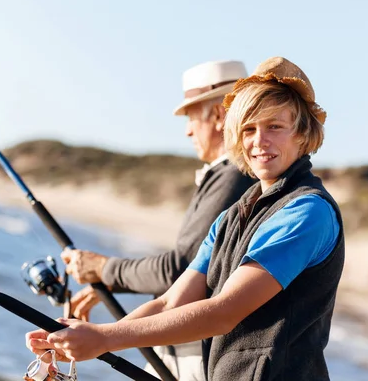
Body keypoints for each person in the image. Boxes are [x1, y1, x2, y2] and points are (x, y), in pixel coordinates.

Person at [27, 56, 345, 380]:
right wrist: (88, 336)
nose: (259, 141)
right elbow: (169, 303)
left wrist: (106, 338)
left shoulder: (306, 212)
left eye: (274, 127)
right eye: (249, 129)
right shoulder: (232, 217)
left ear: (302, 134)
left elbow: (224, 312)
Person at [60, 60, 256, 380]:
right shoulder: (227, 176)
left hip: (197, 355)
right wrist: (111, 284)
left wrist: (104, 269)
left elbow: (178, 269)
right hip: (187, 348)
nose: (188, 130)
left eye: (192, 117)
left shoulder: (233, 176)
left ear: (220, 115)